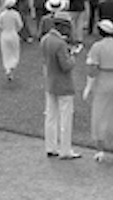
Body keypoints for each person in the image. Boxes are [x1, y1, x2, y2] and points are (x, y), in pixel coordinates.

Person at [84, 19, 113, 162]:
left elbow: (92, 68)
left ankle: (100, 150)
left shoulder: (97, 47)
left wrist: (88, 86)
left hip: (103, 81)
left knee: (100, 115)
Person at [41, 16, 81, 159]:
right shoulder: (60, 43)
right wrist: (73, 57)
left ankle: (50, 147)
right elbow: (66, 66)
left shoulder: (45, 39)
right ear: (63, 27)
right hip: (63, 84)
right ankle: (65, 149)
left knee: (50, 116)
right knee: (65, 118)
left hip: (50, 82)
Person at [0, 0, 24, 80]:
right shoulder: (16, 14)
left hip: (4, 35)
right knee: (14, 52)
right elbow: (20, 25)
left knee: (6, 53)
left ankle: (7, 68)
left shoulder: (2, 14)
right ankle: (12, 67)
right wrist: (16, 30)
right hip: (13, 34)